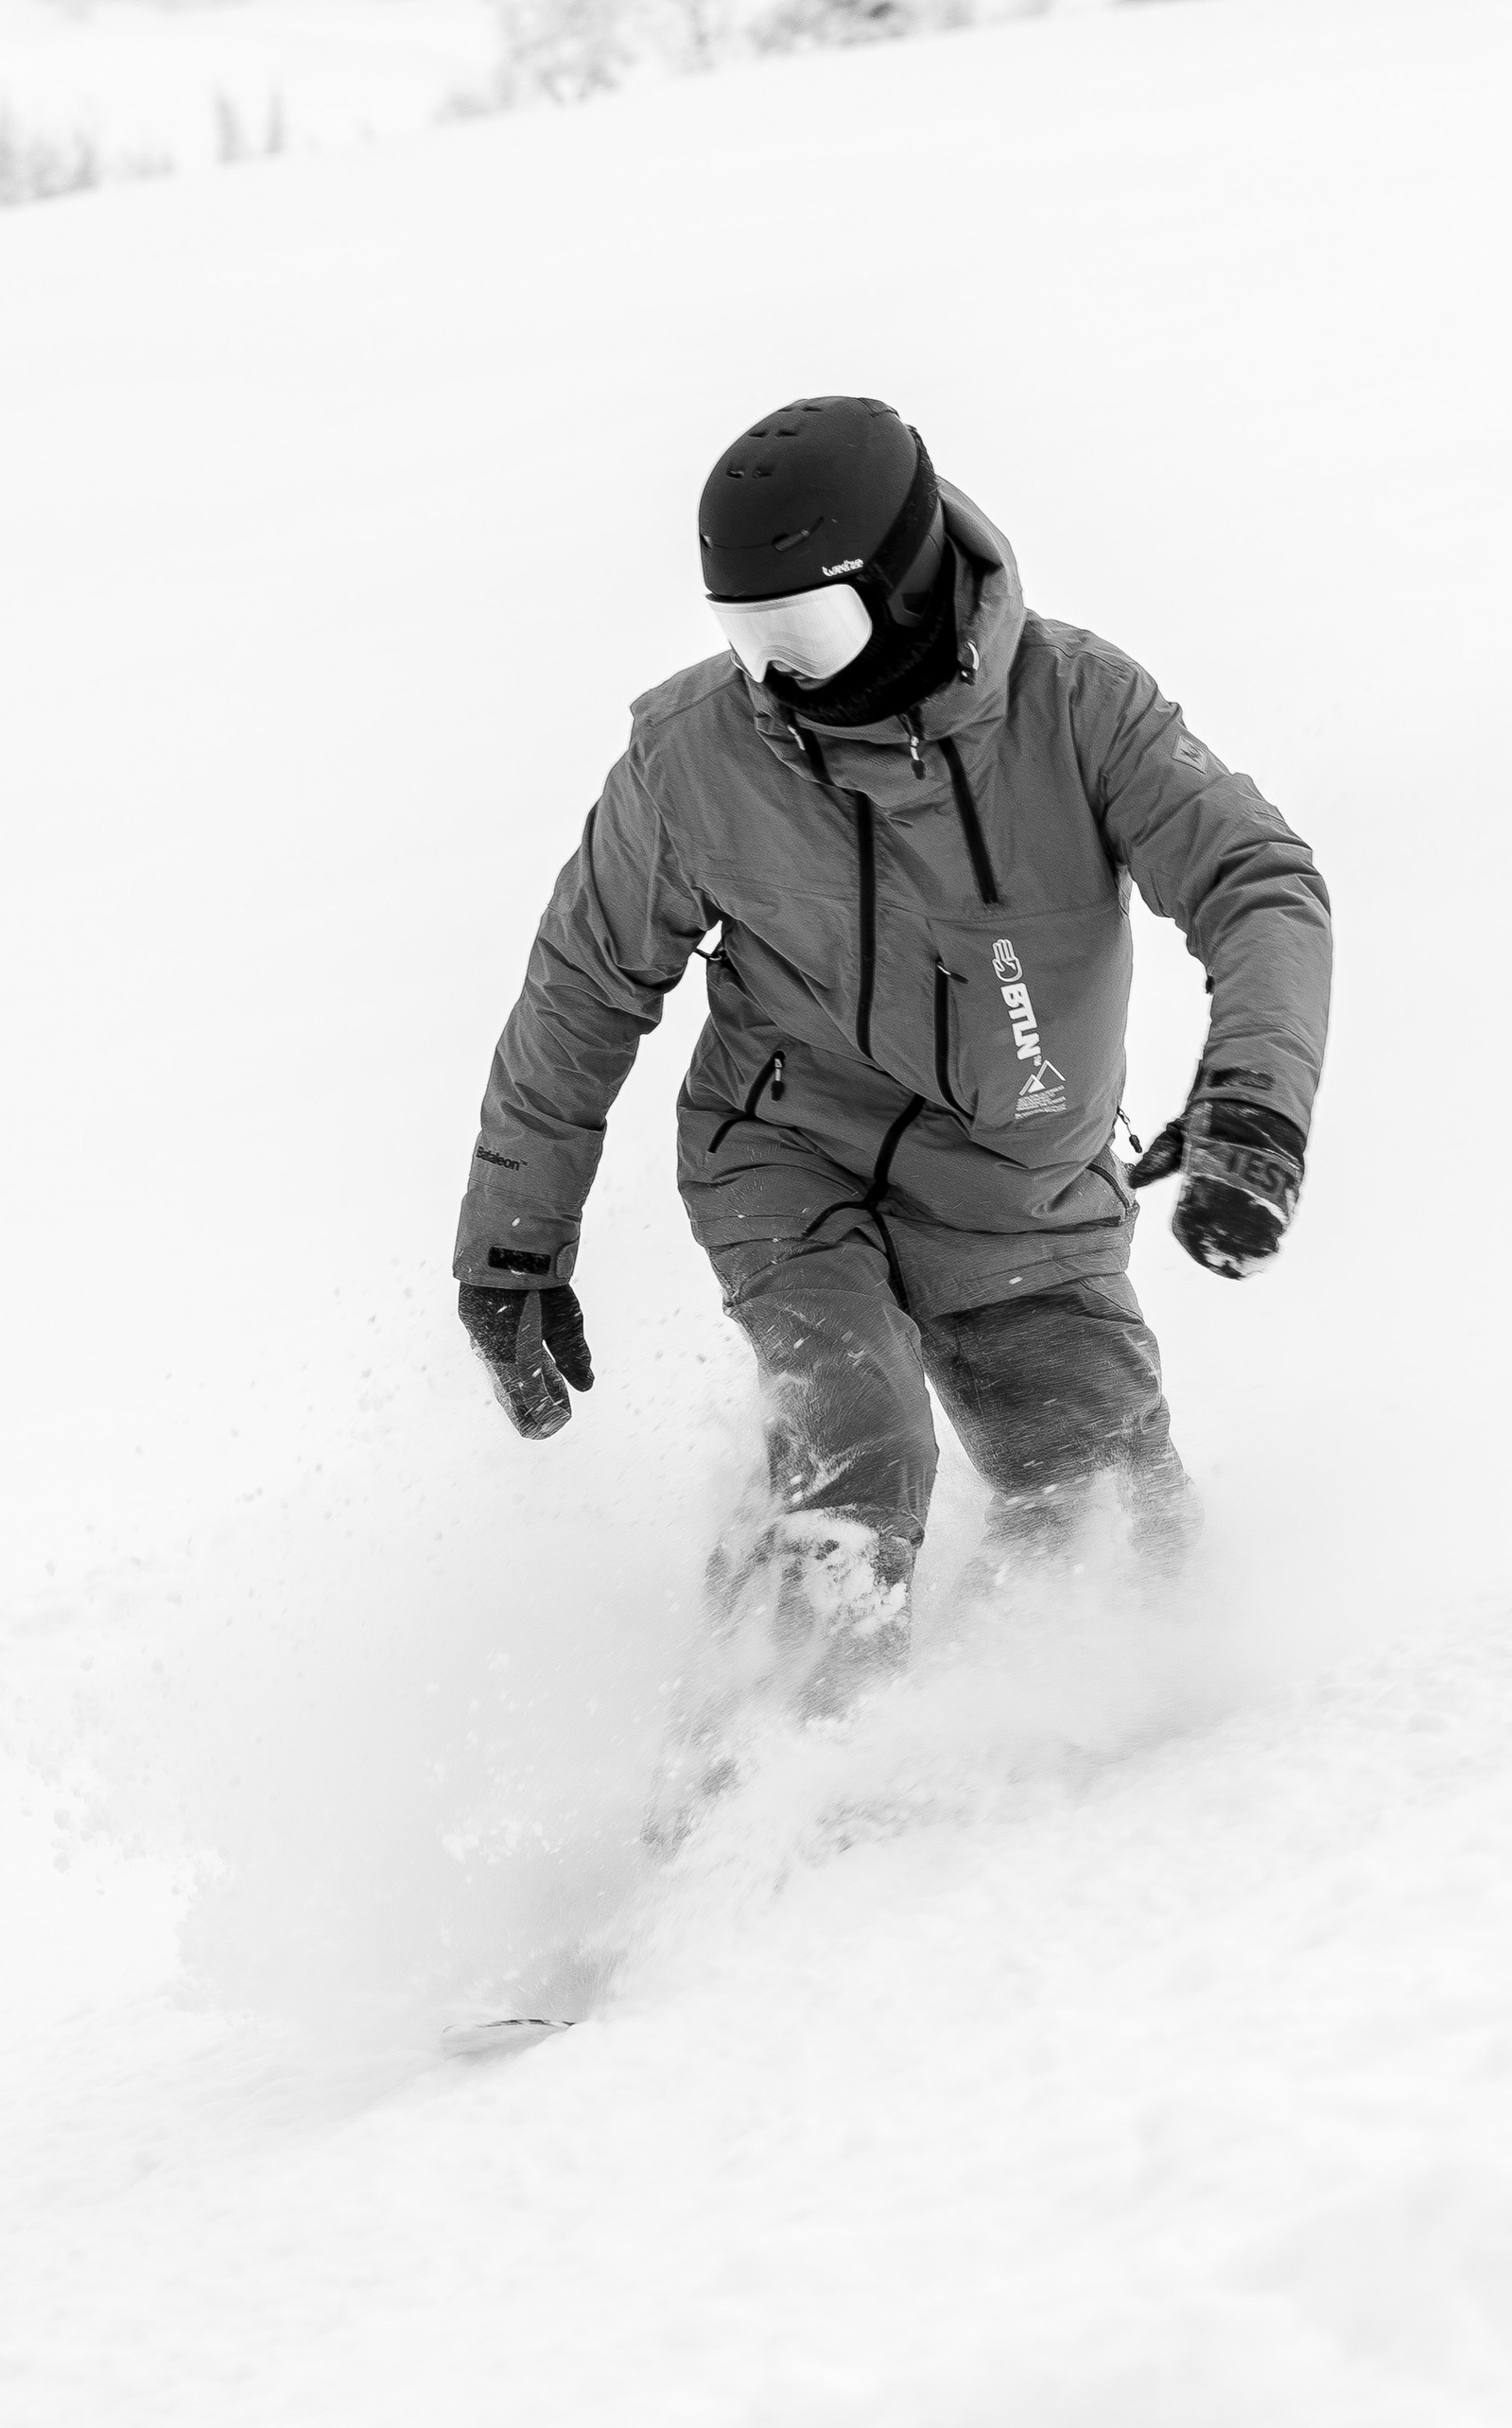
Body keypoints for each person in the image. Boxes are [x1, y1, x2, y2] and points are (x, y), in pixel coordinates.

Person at [456, 394, 1330, 1710]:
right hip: (785, 1150)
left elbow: (1259, 883)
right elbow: (584, 986)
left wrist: (1253, 1108)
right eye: (745, 636)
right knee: (853, 1441)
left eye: (804, 632)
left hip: (1016, 1181)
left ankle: (1070, 1765)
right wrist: (515, 1237)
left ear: (908, 583)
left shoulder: (1079, 710)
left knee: (1103, 1492)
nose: (775, 675)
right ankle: (750, 1800)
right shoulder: (700, 757)